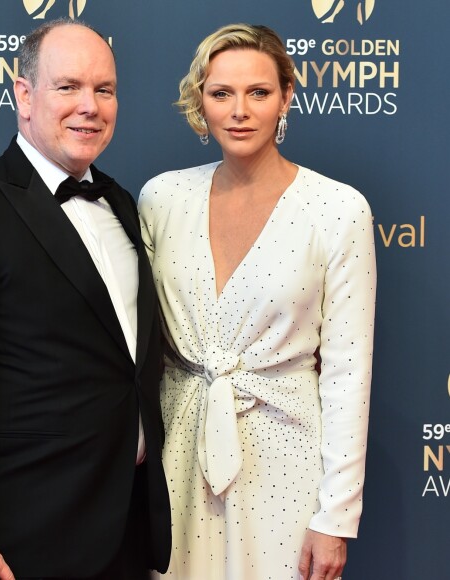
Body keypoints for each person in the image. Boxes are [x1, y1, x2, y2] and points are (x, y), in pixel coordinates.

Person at [0, 18, 171, 580]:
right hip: (21, 541)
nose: (90, 106)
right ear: (24, 95)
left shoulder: (121, 202)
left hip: (126, 529)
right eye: (68, 87)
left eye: (105, 90)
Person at [138, 23, 376, 580]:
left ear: (287, 97)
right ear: (201, 100)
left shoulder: (338, 210)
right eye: (222, 93)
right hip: (179, 453)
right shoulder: (162, 198)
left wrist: (335, 516)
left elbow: (347, 373)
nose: (239, 110)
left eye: (259, 93)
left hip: (287, 463)